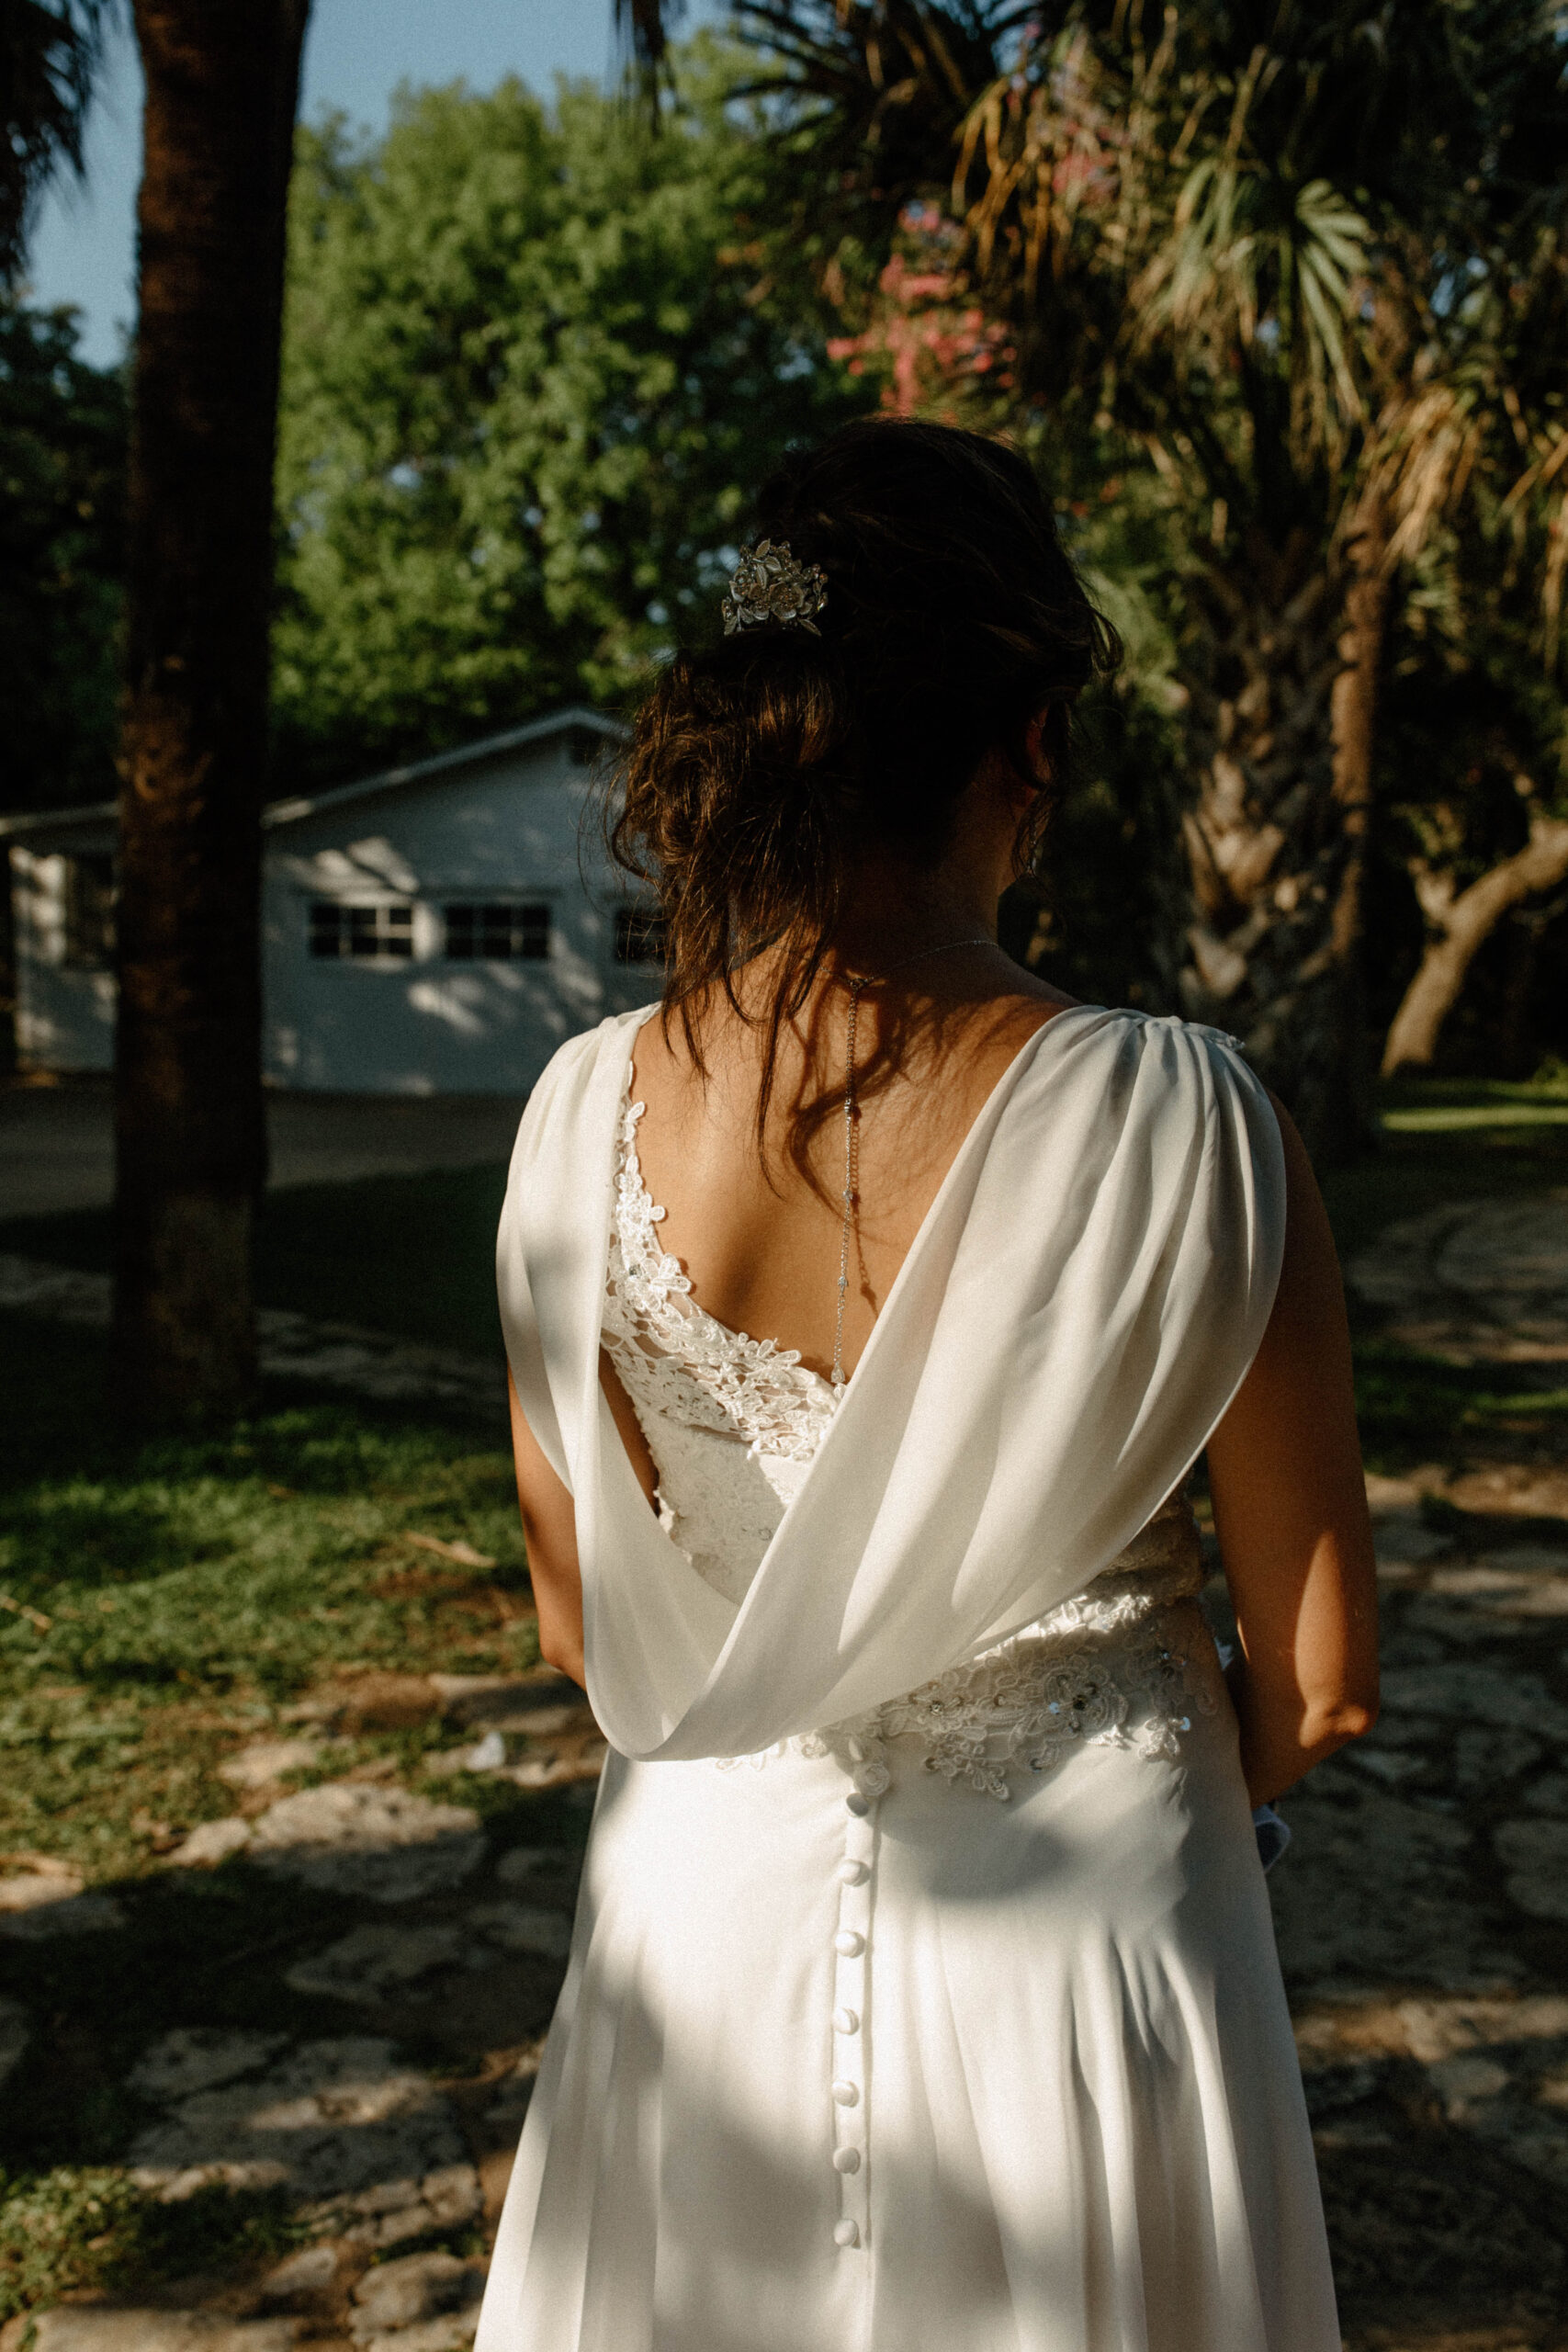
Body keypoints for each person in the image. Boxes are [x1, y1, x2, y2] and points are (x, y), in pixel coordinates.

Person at [476, 419, 1379, 2352]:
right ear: (1027, 738)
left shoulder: (570, 1118)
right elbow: (1318, 1677)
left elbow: (576, 1620)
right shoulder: (1189, 1120)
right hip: (1085, 1968)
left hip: (691, 1938)